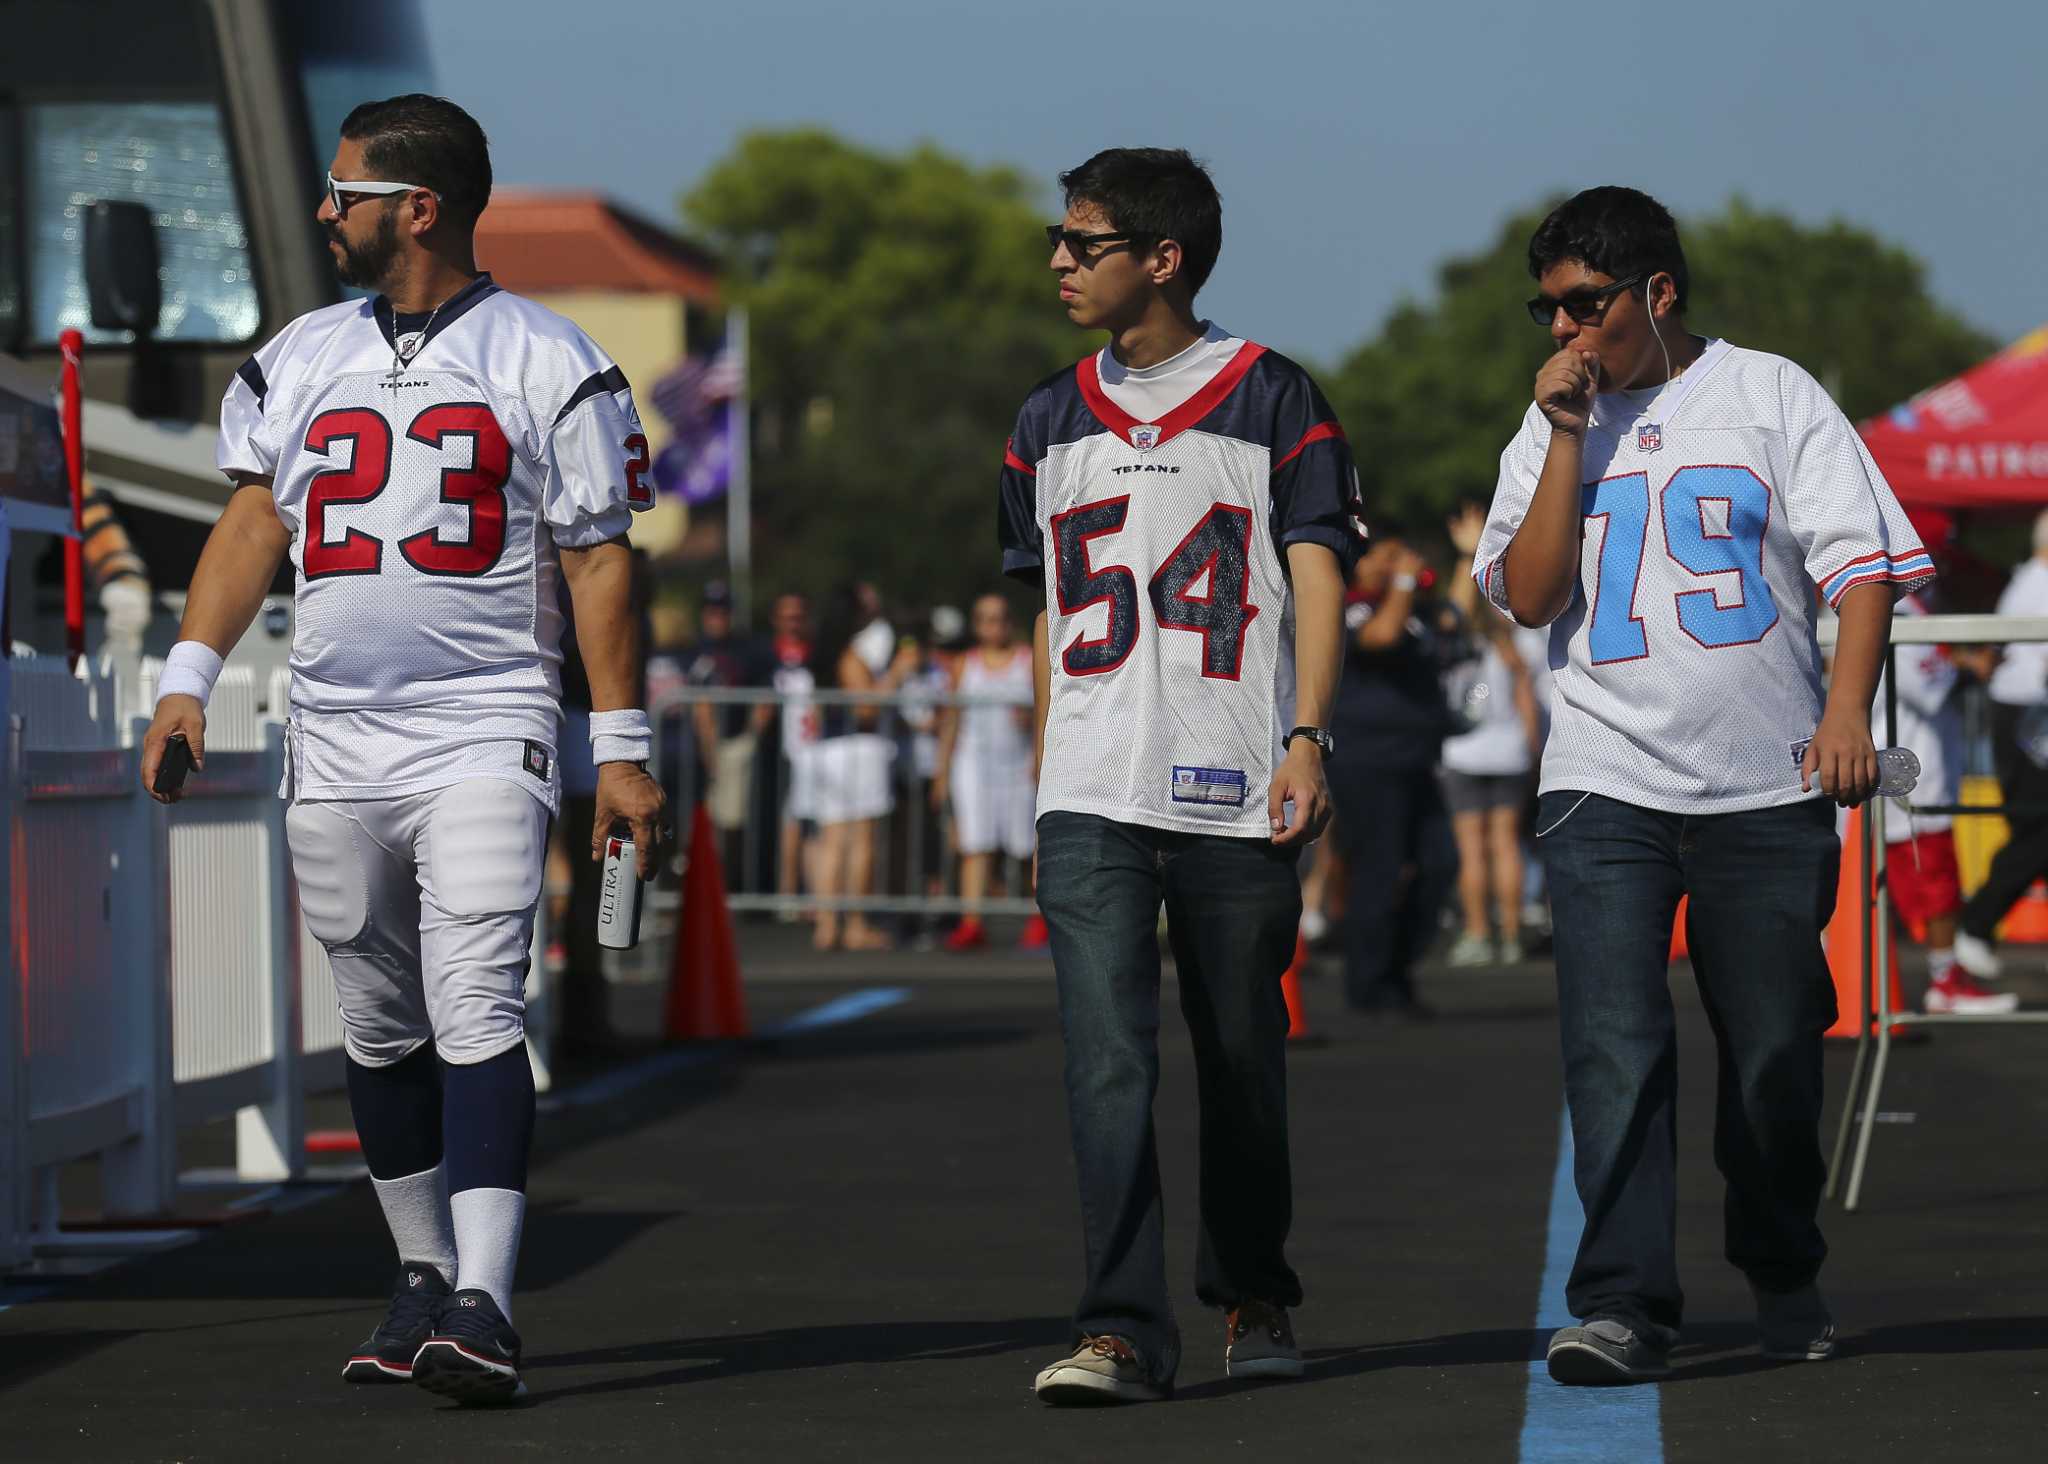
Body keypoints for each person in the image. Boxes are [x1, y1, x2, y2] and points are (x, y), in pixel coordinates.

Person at [139, 95, 664, 1405]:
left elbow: (601, 563)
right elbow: (255, 521)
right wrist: (186, 678)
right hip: (336, 736)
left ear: (413, 208)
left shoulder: (549, 358)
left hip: (484, 722)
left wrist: (625, 748)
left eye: (345, 192)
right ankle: (422, 1277)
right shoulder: (300, 354)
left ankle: (487, 1301)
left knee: (478, 1003)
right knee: (377, 1026)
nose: (328, 212)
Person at [1472, 186, 1930, 1384]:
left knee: (1775, 1056)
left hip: (1764, 788)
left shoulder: (1770, 393)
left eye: (1585, 305)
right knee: (1612, 1051)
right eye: (1548, 311)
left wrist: (1844, 715)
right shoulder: (1547, 426)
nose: (1565, 332)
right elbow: (1524, 596)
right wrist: (1567, 433)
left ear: (1657, 294)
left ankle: (1780, 1260)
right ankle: (1623, 1302)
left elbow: (1862, 567)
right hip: (1601, 782)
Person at [999, 147, 1359, 1404]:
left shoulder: (1270, 395)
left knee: (1241, 1055)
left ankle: (1253, 1291)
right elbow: (1045, 614)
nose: (1056, 259)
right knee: (1104, 1063)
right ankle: (1117, 1326)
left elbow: (1316, 571)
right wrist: (1047, 773)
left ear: (1161, 257)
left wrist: (1307, 734)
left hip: (1232, 779)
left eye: (1079, 240)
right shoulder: (1045, 417)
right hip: (1092, 785)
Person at [1325, 526, 1459, 1012]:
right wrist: (1401, 584)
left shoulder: (1414, 613)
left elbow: (1454, 620)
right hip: (1367, 762)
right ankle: (1370, 985)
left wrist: (1463, 559)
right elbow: (1378, 638)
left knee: (1440, 864)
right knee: (1378, 873)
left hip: (1416, 759)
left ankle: (1398, 967)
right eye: (1384, 554)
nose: (1395, 562)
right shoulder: (1352, 606)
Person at [1873, 568, 2013, 1013]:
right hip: (1904, 767)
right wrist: (1971, 664)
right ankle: (1945, 982)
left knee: (1923, 882)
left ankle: (1944, 977)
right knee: (1929, 882)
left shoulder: (1912, 605)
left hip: (1909, 764)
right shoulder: (1898, 607)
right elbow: (1927, 684)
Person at [1442, 503, 1544, 965]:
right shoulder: (1517, 643)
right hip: (1509, 753)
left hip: (1462, 752)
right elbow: (1527, 696)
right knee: (1506, 843)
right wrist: (1531, 742)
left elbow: (1450, 615)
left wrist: (1467, 556)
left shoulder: (1459, 643)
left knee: (1471, 847)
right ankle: (1509, 931)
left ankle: (1478, 933)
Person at [1951, 508, 2048, 981]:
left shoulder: (2031, 580)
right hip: (2027, 722)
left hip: (2024, 719)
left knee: (2034, 831)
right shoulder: (2039, 585)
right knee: (2037, 831)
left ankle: (1976, 926)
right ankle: (1976, 925)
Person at [807, 586, 919, 951]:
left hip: (830, 748)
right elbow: (867, 707)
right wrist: (898, 674)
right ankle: (854, 924)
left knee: (833, 841)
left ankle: (827, 925)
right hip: (858, 747)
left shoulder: (823, 654)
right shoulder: (850, 655)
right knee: (860, 842)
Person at [933, 593, 1045, 950]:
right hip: (974, 764)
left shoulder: (1028, 659)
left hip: (1018, 762)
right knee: (975, 844)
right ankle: (971, 921)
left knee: (1027, 846)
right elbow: (951, 719)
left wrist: (1035, 743)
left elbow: (1044, 708)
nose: (994, 626)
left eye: (999, 618)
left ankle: (1037, 916)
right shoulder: (965, 664)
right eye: (986, 619)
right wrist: (941, 771)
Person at [685, 580, 775, 877]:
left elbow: (765, 697)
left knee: (729, 821)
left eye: (723, 611)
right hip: (690, 750)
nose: (717, 618)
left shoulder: (748, 649)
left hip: (732, 744)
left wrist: (748, 739)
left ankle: (723, 882)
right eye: (712, 611)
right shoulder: (692, 649)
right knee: (695, 819)